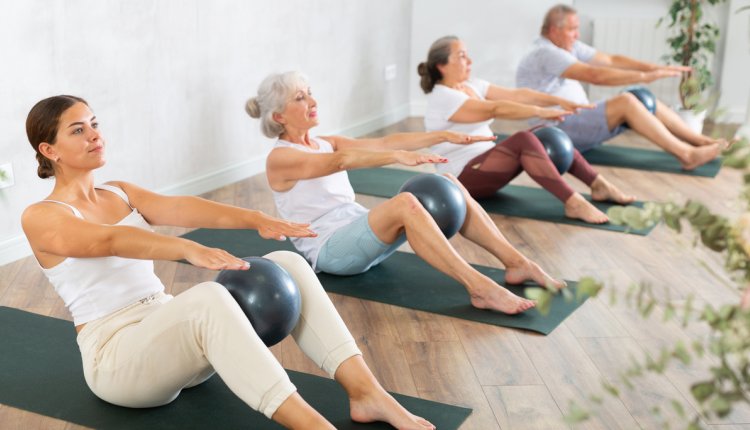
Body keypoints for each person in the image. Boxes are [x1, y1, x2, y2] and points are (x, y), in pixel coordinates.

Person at [21, 95, 435, 430]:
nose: (95, 135)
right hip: (117, 362)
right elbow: (109, 240)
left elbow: (186, 207)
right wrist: (185, 250)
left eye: (95, 123)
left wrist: (257, 219)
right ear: (49, 149)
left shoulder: (120, 192)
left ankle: (367, 393)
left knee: (285, 263)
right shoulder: (42, 216)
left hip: (173, 341)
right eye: (78, 130)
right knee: (206, 297)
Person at [247, 71, 569, 316]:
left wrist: (441, 135)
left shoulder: (325, 140)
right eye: (300, 98)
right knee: (405, 204)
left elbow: (387, 141)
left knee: (450, 184)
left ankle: (518, 263)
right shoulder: (280, 159)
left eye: (310, 94)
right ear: (278, 117)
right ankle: (481, 288)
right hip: (330, 250)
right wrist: (397, 158)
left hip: (359, 232)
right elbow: (339, 161)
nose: (313, 102)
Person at [418, 35, 636, 224]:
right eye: (462, 56)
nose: (469, 60)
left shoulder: (472, 85)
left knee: (545, 133)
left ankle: (599, 185)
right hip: (462, 177)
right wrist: (539, 111)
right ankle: (573, 203)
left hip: (488, 164)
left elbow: (518, 95)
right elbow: (494, 108)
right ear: (441, 65)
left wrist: (559, 101)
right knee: (523, 139)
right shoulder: (443, 97)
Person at [516, 4, 729, 170]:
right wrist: (645, 76)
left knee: (640, 95)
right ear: (555, 29)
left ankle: (701, 142)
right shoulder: (546, 53)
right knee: (627, 101)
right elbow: (594, 75)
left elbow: (609, 60)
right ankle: (687, 155)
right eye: (572, 29)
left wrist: (654, 68)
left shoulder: (566, 45)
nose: (577, 35)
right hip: (557, 129)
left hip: (577, 119)